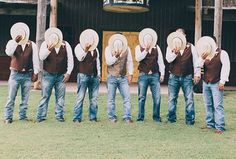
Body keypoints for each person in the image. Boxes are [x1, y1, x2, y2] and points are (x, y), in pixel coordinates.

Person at [4, 22, 40, 124]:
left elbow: (35, 59)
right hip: (15, 74)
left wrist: (36, 72)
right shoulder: (11, 43)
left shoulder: (32, 44)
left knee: (25, 98)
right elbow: (8, 52)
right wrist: (15, 42)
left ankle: (23, 116)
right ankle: (8, 117)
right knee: (11, 97)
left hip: (27, 74)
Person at [37, 27, 74, 122]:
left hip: (61, 75)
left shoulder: (65, 45)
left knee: (61, 97)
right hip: (48, 74)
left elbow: (70, 59)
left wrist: (68, 73)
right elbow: (41, 57)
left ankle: (59, 116)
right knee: (45, 96)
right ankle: (41, 117)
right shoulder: (45, 44)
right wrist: (49, 49)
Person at [166, 28, 201, 125]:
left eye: (180, 35)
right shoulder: (170, 47)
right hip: (174, 76)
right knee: (172, 98)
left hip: (187, 76)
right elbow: (168, 59)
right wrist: (174, 53)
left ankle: (190, 120)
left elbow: (196, 62)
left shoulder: (191, 47)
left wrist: (197, 74)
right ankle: (171, 119)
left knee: (189, 99)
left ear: (184, 36)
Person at [196, 36, 230, 134]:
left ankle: (220, 126)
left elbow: (226, 68)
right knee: (208, 104)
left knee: (218, 105)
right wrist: (201, 58)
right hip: (206, 82)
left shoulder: (222, 53)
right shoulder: (204, 55)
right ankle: (210, 124)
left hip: (216, 82)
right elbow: (198, 65)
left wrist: (222, 81)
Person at [135, 28, 165, 122]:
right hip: (143, 75)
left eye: (150, 39)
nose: (148, 41)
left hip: (154, 75)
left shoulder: (157, 48)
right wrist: (146, 50)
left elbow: (160, 61)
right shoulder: (138, 47)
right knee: (141, 97)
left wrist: (162, 74)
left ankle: (156, 117)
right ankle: (140, 117)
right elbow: (138, 59)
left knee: (157, 97)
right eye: (146, 39)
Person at [73, 29, 101, 123]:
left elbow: (97, 62)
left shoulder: (95, 49)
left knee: (94, 98)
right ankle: (77, 118)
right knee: (80, 97)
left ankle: (93, 117)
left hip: (94, 76)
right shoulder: (78, 47)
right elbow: (80, 58)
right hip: (83, 75)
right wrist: (85, 49)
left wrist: (99, 74)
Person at [105, 33, 134, 123]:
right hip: (111, 76)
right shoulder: (108, 49)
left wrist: (131, 74)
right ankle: (111, 117)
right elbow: (108, 62)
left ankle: (127, 117)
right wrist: (116, 56)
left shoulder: (127, 49)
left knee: (127, 98)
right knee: (111, 99)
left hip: (123, 77)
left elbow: (129, 62)